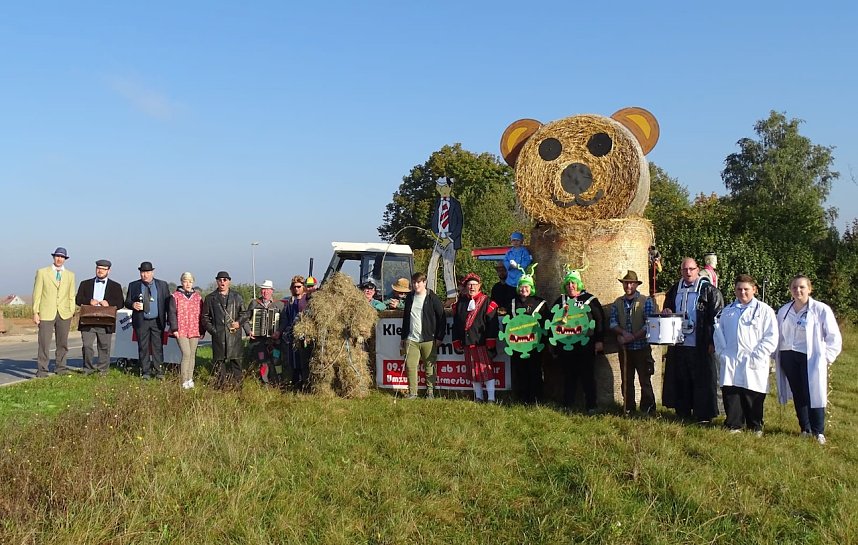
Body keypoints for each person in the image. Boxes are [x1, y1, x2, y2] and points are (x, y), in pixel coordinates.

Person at [774, 275, 842, 445]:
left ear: (809, 289)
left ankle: (818, 431)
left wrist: (826, 357)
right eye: (795, 287)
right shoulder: (784, 310)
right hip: (789, 355)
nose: (798, 290)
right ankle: (805, 428)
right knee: (798, 393)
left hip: (811, 356)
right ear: (790, 290)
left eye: (802, 287)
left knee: (814, 392)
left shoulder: (820, 309)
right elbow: (777, 334)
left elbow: (834, 336)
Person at [661, 257, 724, 423]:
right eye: (684, 270)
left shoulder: (709, 290)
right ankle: (683, 411)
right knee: (681, 377)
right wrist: (667, 309)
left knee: (702, 379)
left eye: (691, 269)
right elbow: (668, 307)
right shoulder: (675, 289)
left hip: (700, 343)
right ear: (681, 271)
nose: (688, 272)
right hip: (679, 343)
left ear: (697, 270)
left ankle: (703, 414)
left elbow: (716, 318)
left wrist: (712, 341)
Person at [713, 274, 778, 435]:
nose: (742, 293)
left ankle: (755, 426)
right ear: (735, 290)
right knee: (732, 392)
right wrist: (722, 354)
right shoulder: (727, 311)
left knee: (753, 393)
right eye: (739, 289)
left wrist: (759, 354)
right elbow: (718, 334)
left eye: (746, 289)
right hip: (731, 358)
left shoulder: (764, 311)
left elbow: (771, 336)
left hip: (754, 359)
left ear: (754, 290)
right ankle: (734, 424)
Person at [550, 269, 605, 413]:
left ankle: (591, 405)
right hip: (566, 345)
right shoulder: (560, 301)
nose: (571, 286)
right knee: (568, 375)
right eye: (568, 284)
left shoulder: (590, 300)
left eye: (573, 283)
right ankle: (568, 404)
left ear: (579, 284)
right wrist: (554, 344)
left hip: (586, 345)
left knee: (587, 375)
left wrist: (599, 341)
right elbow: (551, 322)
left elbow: (600, 319)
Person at [609, 270, 657, 414]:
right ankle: (629, 408)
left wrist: (633, 337)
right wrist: (622, 334)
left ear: (636, 284)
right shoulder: (617, 303)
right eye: (626, 283)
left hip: (642, 347)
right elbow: (613, 322)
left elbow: (648, 324)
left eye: (631, 283)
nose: (628, 285)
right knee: (627, 380)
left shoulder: (645, 301)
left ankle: (648, 409)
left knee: (645, 380)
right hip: (625, 349)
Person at [452, 273, 499, 402]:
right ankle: (478, 397)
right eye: (469, 284)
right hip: (467, 343)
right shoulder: (460, 303)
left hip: (482, 343)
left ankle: (491, 398)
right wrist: (456, 341)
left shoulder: (487, 302)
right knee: (472, 372)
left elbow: (493, 324)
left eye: (474, 284)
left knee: (486, 372)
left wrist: (490, 342)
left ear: (480, 286)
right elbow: (456, 324)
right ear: (466, 286)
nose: (472, 287)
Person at [399, 272, 446, 398]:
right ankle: (413, 392)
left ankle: (430, 391)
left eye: (418, 282)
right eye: (414, 282)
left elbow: (442, 317)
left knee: (429, 366)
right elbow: (406, 318)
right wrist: (403, 337)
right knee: (410, 366)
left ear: (424, 283)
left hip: (428, 338)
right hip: (411, 338)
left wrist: (440, 337)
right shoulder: (410, 297)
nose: (416, 285)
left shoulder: (432, 297)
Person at [32, 247, 77, 376]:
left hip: (64, 313)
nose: (59, 259)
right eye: (57, 256)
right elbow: (37, 293)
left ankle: (61, 367)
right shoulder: (42, 272)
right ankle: (42, 369)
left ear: (65, 259)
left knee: (62, 342)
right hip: (46, 312)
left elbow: (71, 295)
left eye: (62, 257)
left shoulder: (70, 275)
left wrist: (71, 310)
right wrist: (36, 312)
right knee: (44, 342)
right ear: (53, 257)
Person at [75, 259, 124, 375]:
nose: (100, 271)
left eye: (103, 269)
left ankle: (102, 370)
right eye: (98, 268)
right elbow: (78, 300)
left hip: (106, 321)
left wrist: (109, 303)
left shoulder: (115, 286)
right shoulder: (85, 284)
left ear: (109, 271)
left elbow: (121, 302)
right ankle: (88, 368)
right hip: (88, 320)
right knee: (87, 346)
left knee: (104, 346)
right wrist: (89, 301)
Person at [125, 261, 172, 379]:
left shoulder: (162, 285)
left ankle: (159, 371)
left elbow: (168, 304)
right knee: (143, 347)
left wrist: (170, 319)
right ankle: (145, 372)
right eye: (142, 272)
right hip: (141, 321)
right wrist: (133, 305)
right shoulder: (133, 285)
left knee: (157, 347)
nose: (144, 275)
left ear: (152, 272)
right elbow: (127, 301)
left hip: (157, 321)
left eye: (147, 272)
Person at [202, 271, 248, 388]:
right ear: (217, 281)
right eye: (220, 280)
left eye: (225, 280)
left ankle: (237, 387)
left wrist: (239, 322)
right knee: (219, 362)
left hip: (234, 335)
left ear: (229, 281)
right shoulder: (210, 298)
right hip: (219, 335)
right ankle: (220, 386)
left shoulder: (237, 296)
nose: (222, 282)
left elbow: (244, 313)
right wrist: (214, 331)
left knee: (236, 361)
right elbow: (205, 317)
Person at [508, 267, 546, 404]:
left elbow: (545, 323)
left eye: (527, 287)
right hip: (517, 344)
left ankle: (535, 398)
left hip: (534, 343)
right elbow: (508, 324)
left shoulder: (540, 303)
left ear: (531, 288)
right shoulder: (512, 302)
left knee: (534, 370)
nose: (524, 289)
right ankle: (521, 397)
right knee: (520, 370)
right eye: (522, 286)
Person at [427, 176, 463, 305]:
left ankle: (452, 296)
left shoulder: (455, 204)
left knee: (448, 265)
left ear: (448, 187)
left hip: (450, 238)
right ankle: (430, 293)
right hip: (438, 237)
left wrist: (450, 239)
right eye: (438, 187)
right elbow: (434, 220)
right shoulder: (437, 203)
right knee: (432, 264)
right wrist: (435, 236)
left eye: (442, 187)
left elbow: (459, 224)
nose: (440, 189)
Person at [168, 272, 205, 389]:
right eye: (185, 281)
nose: (188, 284)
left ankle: (190, 378)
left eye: (190, 281)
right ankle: (183, 380)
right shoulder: (175, 296)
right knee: (186, 353)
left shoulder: (198, 297)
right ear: (182, 282)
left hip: (194, 328)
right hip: (181, 329)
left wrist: (202, 329)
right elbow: (172, 313)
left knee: (192, 354)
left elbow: (202, 314)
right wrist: (174, 328)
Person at [244, 279, 284, 384]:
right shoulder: (254, 303)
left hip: (275, 341)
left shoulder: (279, 305)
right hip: (259, 341)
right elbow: (244, 319)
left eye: (267, 290)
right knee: (263, 361)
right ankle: (265, 382)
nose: (265, 292)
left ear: (272, 291)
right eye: (263, 290)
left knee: (276, 360)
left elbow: (284, 322)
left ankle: (278, 380)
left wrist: (279, 332)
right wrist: (249, 331)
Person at [278, 275, 312, 389]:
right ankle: (295, 385)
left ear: (303, 287)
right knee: (293, 362)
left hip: (305, 337)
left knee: (305, 362)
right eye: (294, 287)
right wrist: (281, 332)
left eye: (299, 286)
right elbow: (286, 319)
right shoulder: (290, 303)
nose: (296, 289)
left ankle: (306, 386)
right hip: (292, 337)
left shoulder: (308, 300)